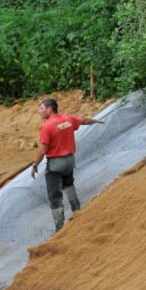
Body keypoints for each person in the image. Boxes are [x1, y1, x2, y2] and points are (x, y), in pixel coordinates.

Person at [30, 98, 105, 231]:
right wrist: (96, 120)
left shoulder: (47, 126)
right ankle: (77, 211)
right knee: (68, 184)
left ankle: (59, 228)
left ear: (49, 109)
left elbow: (42, 150)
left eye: (41, 108)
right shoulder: (68, 119)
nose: (39, 111)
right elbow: (83, 121)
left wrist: (35, 165)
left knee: (55, 196)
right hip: (70, 161)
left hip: (56, 164)